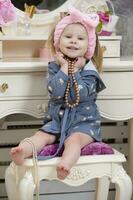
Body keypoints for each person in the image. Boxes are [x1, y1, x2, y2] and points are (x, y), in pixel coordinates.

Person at [10, 7, 106, 180]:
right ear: (58, 41)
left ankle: (65, 165)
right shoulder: (54, 67)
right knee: (41, 136)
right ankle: (22, 150)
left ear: (88, 45)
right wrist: (64, 68)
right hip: (57, 120)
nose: (74, 41)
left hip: (83, 124)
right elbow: (55, 92)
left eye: (80, 38)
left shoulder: (90, 71)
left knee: (73, 141)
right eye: (68, 37)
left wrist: (75, 70)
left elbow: (81, 94)